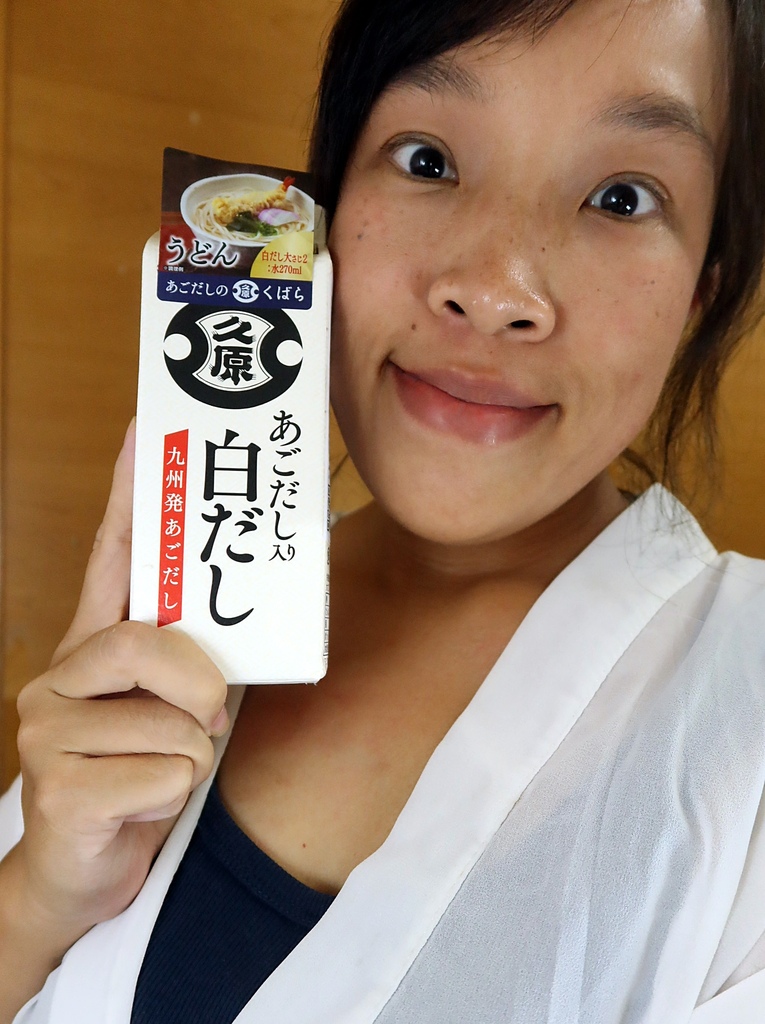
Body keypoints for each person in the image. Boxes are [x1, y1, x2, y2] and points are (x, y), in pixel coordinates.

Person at [1, 0, 765, 1020]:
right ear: (320, 214)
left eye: (621, 198)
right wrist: (36, 898)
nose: (494, 289)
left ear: (702, 287)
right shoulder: (180, 601)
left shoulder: (743, 719)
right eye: (428, 161)